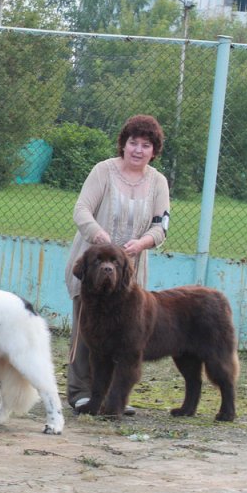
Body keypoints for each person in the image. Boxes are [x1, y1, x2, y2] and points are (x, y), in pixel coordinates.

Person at [65, 114, 170, 414]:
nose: (138, 150)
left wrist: (143, 243)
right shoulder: (103, 171)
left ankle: (115, 397)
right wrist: (97, 234)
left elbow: (161, 225)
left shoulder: (158, 182)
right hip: (94, 264)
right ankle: (81, 393)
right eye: (132, 143)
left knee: (126, 338)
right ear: (123, 144)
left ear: (154, 150)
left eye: (145, 145)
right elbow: (81, 209)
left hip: (129, 275)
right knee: (86, 335)